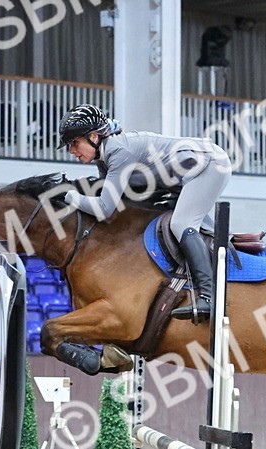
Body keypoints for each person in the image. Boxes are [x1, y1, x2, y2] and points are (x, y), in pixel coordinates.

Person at [56, 104, 232, 322]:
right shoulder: (106, 157)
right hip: (186, 174)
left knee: (181, 224)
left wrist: (68, 196)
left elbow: (104, 209)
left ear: (93, 136)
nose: (71, 151)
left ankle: (208, 296)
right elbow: (119, 200)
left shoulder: (118, 152)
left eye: (74, 143)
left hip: (209, 164)